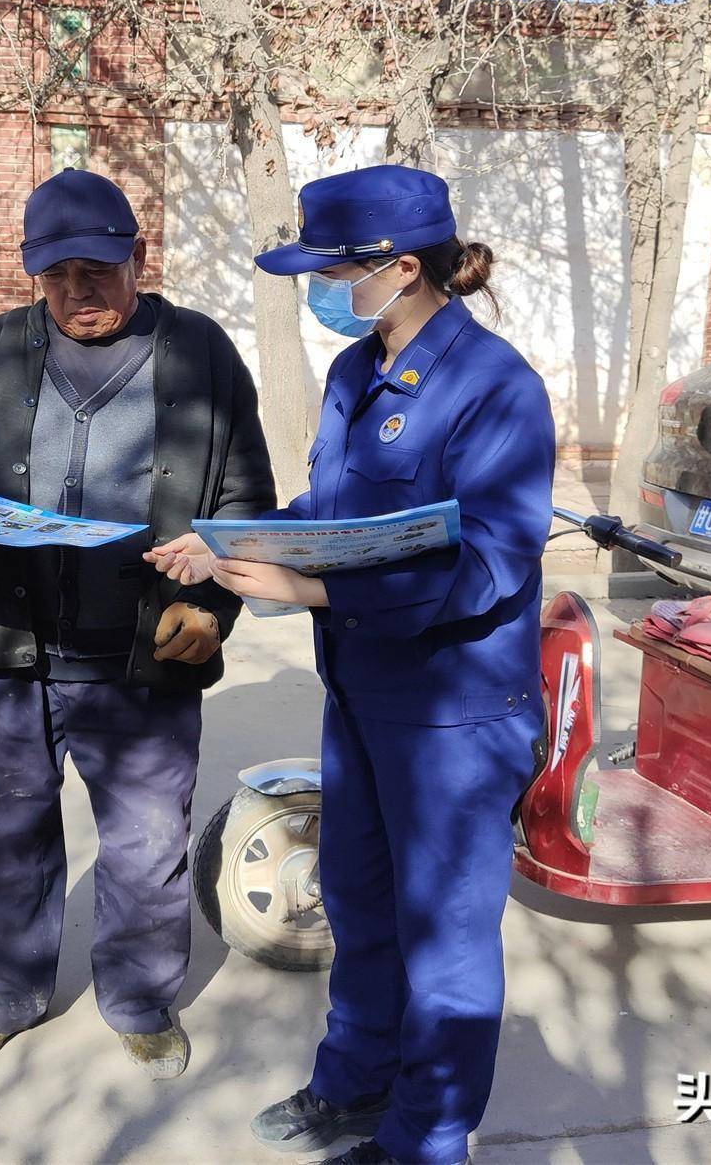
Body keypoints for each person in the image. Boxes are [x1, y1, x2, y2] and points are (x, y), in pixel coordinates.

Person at [149, 165, 555, 1164]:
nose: (322, 289)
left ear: (401, 267)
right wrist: (228, 542)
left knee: (442, 939)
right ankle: (353, 1081)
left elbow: (492, 560)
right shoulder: (351, 374)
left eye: (331, 270)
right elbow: (326, 520)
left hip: (455, 710)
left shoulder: (495, 389)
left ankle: (426, 1136)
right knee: (358, 897)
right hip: (362, 692)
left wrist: (317, 592)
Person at [0, 167, 276, 1079]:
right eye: (56, 275)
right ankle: (4, 995)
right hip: (12, 649)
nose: (77, 291)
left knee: (147, 844)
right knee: (5, 832)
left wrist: (212, 606)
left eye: (96, 268)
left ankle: (140, 999)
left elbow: (244, 502)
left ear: (135, 256)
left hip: (140, 656)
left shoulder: (202, 355)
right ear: (34, 274)